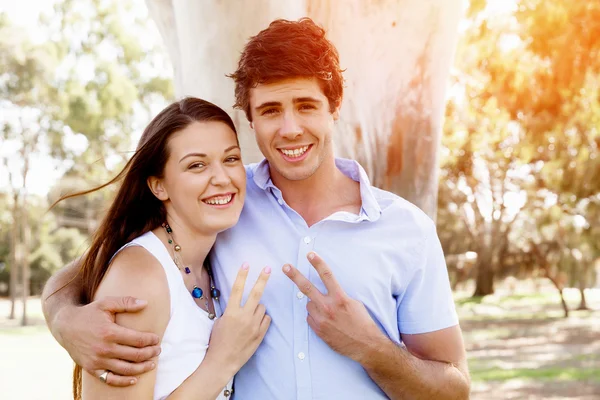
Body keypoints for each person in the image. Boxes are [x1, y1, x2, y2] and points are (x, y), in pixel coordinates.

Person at [43, 18, 470, 399]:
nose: (290, 129)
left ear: (334, 107)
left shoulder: (406, 229)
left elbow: (454, 389)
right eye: (270, 110)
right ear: (250, 119)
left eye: (306, 106)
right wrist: (64, 320)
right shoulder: (220, 201)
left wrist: (370, 347)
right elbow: (102, 263)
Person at [48, 97, 272, 399]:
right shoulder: (142, 278)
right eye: (196, 165)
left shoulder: (208, 254)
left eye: (231, 159)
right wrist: (222, 362)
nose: (222, 178)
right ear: (158, 186)